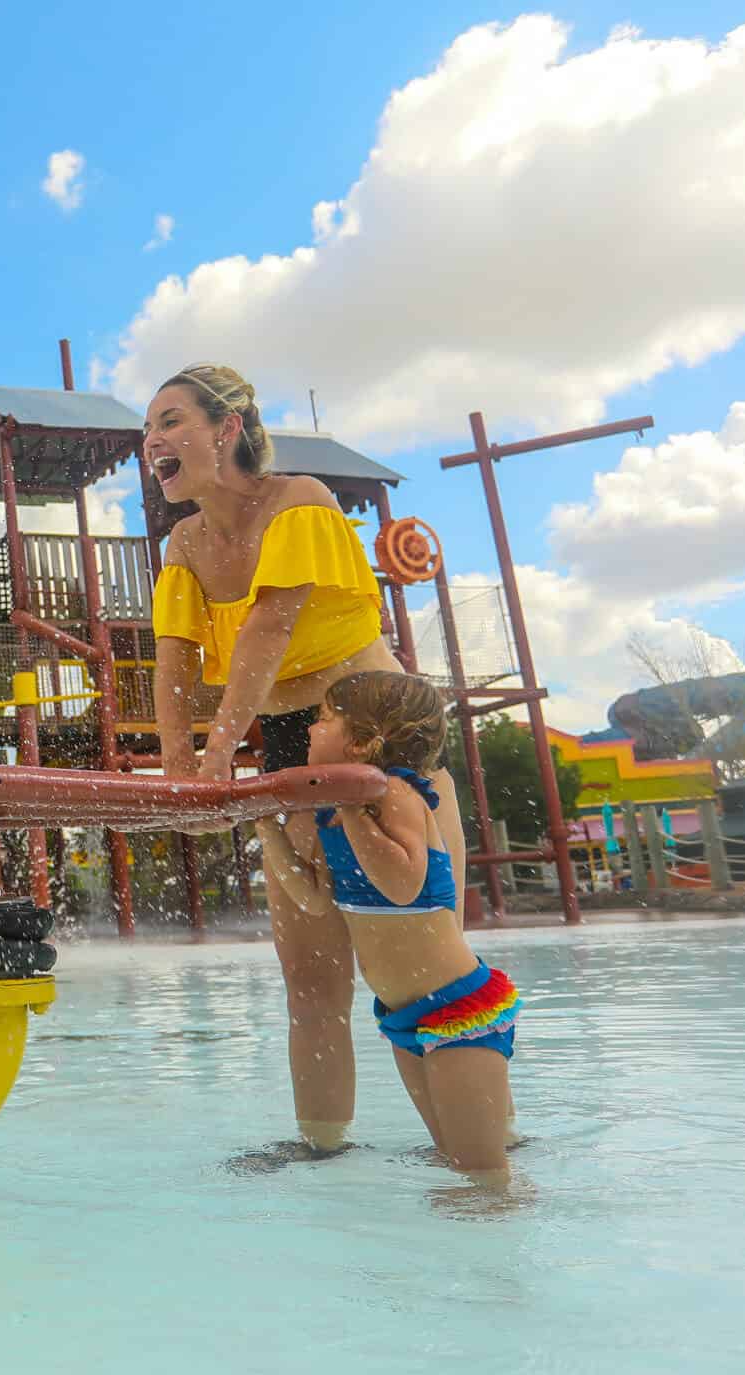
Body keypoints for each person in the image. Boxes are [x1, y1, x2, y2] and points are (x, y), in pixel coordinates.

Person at [145, 363, 401, 1161]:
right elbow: (175, 661)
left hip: (372, 726)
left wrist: (219, 751)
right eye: (148, 430)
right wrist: (178, 764)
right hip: (284, 735)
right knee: (311, 974)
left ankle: (484, 1138)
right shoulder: (182, 541)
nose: (153, 441)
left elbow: (270, 624)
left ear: (226, 430)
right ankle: (323, 1147)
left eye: (171, 421)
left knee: (410, 963)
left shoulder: (302, 499)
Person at [255, 673, 519, 1181]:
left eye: (325, 720)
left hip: (458, 1012)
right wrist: (269, 829)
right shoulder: (335, 814)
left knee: (484, 1175)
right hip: (405, 1018)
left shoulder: (395, 793)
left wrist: (354, 811)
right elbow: (314, 900)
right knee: (454, 1167)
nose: (310, 729)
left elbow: (402, 883)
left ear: (360, 741)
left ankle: (505, 1242)